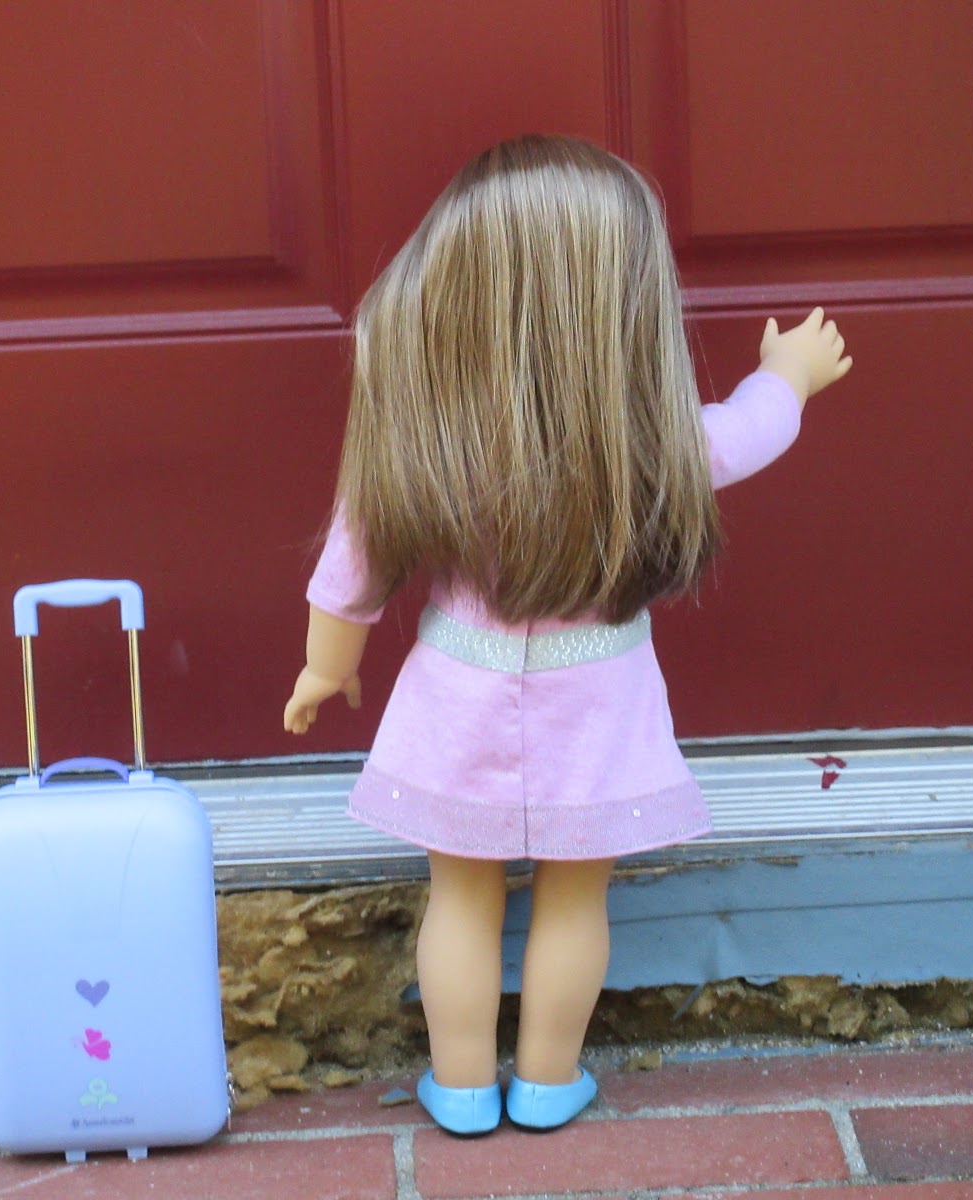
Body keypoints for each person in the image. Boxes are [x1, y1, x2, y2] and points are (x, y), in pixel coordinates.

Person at [282, 135, 852, 1135]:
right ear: (620, 309)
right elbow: (749, 429)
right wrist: (788, 375)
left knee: (459, 899)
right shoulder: (650, 446)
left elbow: (350, 564)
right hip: (599, 695)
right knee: (576, 901)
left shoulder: (426, 444)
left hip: (458, 686)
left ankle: (462, 1087)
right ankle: (548, 1081)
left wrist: (326, 667)